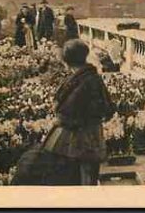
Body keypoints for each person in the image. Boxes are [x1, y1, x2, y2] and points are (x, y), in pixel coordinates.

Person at [46, 39, 115, 185]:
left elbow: (66, 112)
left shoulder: (80, 81)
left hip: (77, 139)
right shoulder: (93, 77)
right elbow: (109, 108)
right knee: (90, 174)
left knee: (80, 176)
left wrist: (58, 120)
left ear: (66, 61)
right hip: (93, 135)